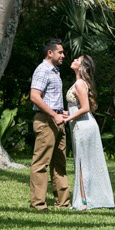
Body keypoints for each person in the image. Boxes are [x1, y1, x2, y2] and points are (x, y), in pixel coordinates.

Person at [64, 55, 115, 210]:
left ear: (82, 66)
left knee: (82, 162)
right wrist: (69, 114)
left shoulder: (80, 84)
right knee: (81, 161)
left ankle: (84, 201)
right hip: (79, 124)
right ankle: (86, 198)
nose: (73, 61)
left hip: (84, 126)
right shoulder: (78, 83)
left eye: (77, 60)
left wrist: (68, 118)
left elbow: (85, 108)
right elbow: (77, 106)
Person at [29, 38, 70, 210]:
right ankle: (38, 203)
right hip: (47, 121)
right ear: (50, 53)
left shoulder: (54, 71)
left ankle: (63, 201)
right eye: (60, 52)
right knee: (41, 162)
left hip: (58, 120)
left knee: (60, 163)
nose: (63, 55)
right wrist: (54, 114)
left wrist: (61, 112)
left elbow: (50, 98)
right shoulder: (42, 70)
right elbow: (35, 96)